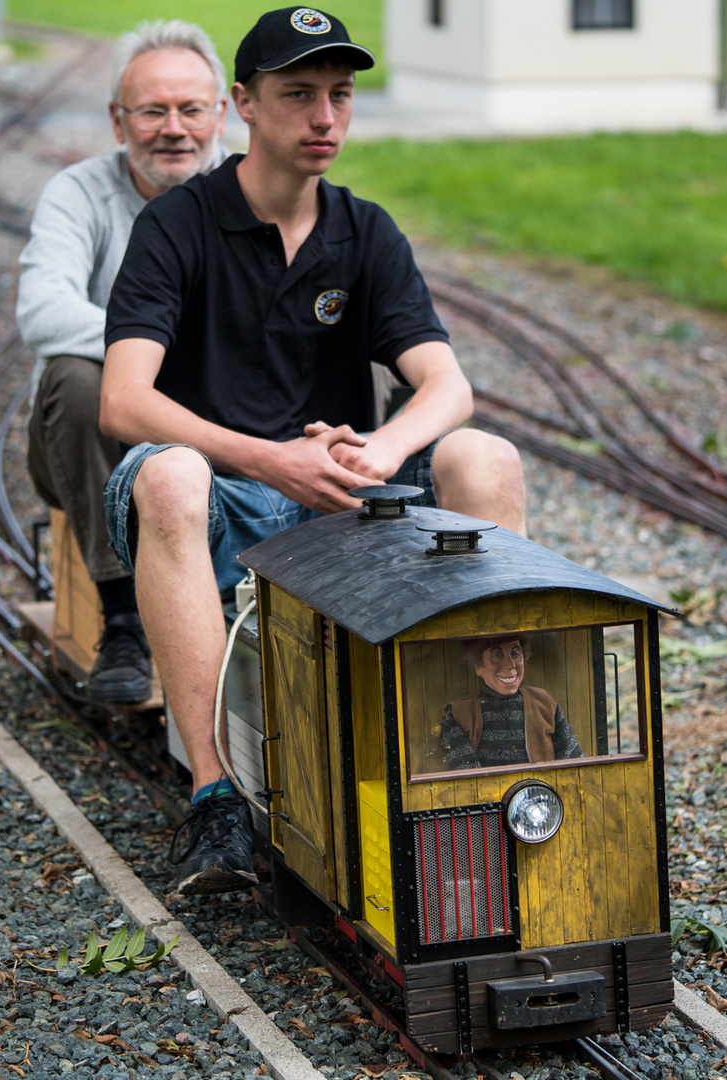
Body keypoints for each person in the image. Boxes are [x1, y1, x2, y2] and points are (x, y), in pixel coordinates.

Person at [99, 7, 527, 896]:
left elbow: (447, 387)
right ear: (245, 105)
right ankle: (215, 803)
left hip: (341, 492)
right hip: (222, 493)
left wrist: (377, 448)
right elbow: (123, 400)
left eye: (339, 95)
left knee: (486, 458)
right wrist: (266, 458)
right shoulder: (177, 225)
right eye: (299, 95)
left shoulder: (364, 231)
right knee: (172, 473)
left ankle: (492, 746)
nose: (325, 117)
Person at [16, 20, 229, 705]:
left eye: (191, 109)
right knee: (76, 379)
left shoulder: (256, 190)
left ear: (221, 113)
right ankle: (123, 621)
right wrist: (152, 362)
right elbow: (41, 312)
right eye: (152, 110)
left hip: (228, 424)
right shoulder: (77, 194)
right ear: (117, 121)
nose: (174, 128)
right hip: (96, 436)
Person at [440, 636, 584, 770]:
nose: (510, 665)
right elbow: (471, 782)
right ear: (478, 666)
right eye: (497, 655)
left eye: (515, 654)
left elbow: (574, 764)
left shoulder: (544, 703)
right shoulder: (458, 714)